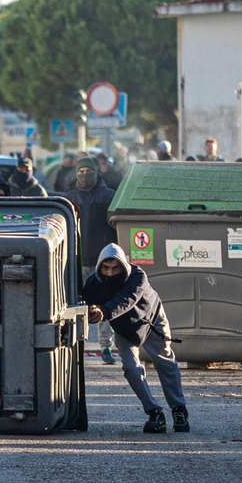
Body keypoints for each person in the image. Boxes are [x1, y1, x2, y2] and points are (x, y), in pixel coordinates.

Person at [83, 243, 189, 433]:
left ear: (123, 265)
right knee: (131, 369)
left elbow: (127, 299)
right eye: (106, 268)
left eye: (115, 268)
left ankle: (179, 409)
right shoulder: (93, 283)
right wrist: (90, 310)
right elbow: (86, 303)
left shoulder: (138, 276)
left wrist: (104, 312)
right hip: (124, 330)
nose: (110, 273)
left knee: (165, 361)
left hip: (152, 322)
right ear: (100, 267)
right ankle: (154, 412)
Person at [61, 155, 119, 365]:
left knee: (104, 306)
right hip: (74, 260)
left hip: (102, 261)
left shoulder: (108, 197)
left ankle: (105, 347)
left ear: (96, 172)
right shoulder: (68, 200)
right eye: (81, 171)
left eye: (89, 171)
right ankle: (76, 347)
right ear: (76, 173)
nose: (85, 175)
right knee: (75, 305)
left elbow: (115, 228)